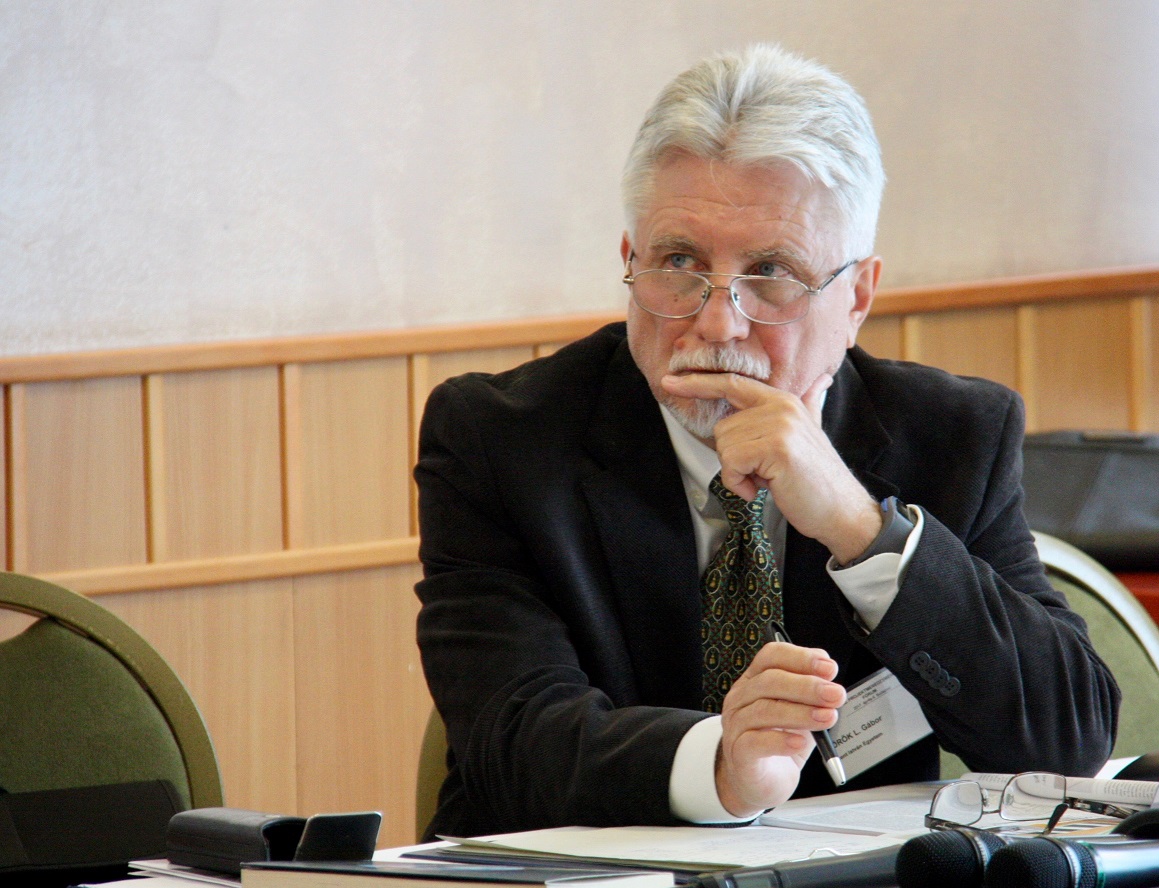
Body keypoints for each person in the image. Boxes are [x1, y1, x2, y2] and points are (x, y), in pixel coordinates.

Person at [414, 44, 1119, 839]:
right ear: (629, 263)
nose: (718, 321)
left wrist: (862, 528)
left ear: (858, 297)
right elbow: (510, 741)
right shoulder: (500, 439)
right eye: (679, 261)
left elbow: (1067, 737)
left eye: (771, 272)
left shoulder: (952, 437)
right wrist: (718, 764)